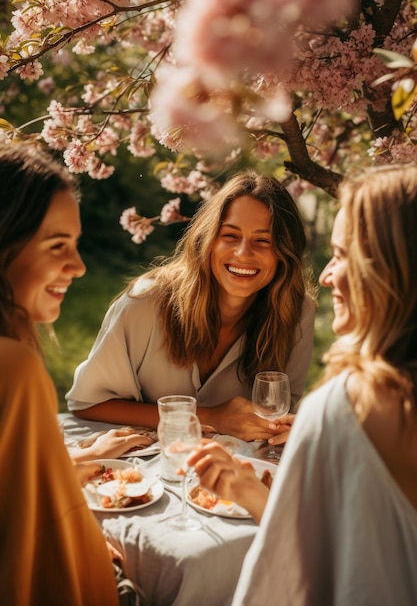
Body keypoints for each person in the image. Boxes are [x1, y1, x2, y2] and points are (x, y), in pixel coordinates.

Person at [191, 164, 417, 605]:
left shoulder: (349, 407)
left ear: (389, 268)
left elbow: (283, 583)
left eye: (342, 254)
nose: (329, 275)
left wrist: (255, 491)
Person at [65, 170, 317, 443]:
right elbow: (88, 403)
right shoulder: (144, 304)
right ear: (206, 240)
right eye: (230, 235)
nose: (244, 253)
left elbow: (282, 413)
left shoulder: (297, 311)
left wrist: (286, 426)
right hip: (144, 472)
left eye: (263, 240)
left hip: (238, 471)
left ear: (285, 251)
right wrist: (209, 417)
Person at [0, 142, 134, 605]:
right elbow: (25, 555)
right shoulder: (13, 370)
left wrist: (69, 463)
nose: (77, 267)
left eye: (75, 245)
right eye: (58, 245)